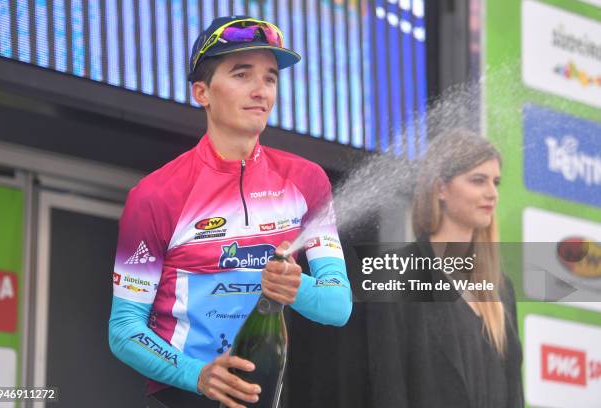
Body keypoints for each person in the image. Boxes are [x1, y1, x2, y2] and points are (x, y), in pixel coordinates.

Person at [108, 16, 352, 408]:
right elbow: (124, 329)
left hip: (264, 396)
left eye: (270, 78)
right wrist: (196, 375)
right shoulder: (155, 195)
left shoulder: (307, 180)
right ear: (202, 92)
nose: (261, 91)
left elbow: (338, 307)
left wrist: (296, 286)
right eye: (242, 74)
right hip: (181, 395)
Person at [365, 130, 524, 407]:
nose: (492, 193)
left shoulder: (501, 288)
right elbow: (389, 388)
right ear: (440, 188)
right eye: (478, 181)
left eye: (495, 182)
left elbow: (513, 393)